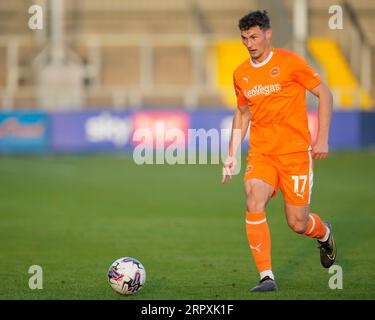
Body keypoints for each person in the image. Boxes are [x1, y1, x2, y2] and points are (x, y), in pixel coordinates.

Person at [221, 10, 337, 292]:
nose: (249, 43)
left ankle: (324, 233)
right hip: (262, 153)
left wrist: (322, 139)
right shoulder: (241, 73)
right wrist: (231, 154)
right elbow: (242, 113)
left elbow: (325, 93)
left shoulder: (290, 62)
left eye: (254, 37)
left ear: (267, 34)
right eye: (244, 38)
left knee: (297, 223)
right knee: (253, 197)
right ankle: (266, 277)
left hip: (295, 154)